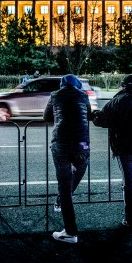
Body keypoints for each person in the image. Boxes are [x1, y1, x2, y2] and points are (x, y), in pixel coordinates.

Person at [92, 74, 132, 232]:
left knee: (129, 183)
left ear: (122, 86)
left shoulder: (117, 101)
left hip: (125, 148)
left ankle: (131, 218)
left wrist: (94, 114)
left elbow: (101, 120)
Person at [43, 74, 92, 244]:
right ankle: (61, 201)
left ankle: (70, 231)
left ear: (62, 84)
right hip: (82, 144)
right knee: (78, 172)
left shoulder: (55, 95)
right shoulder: (83, 96)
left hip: (61, 145)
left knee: (64, 186)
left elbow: (46, 117)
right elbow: (89, 114)